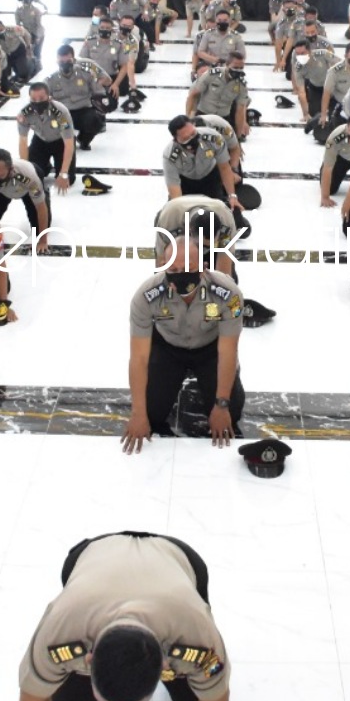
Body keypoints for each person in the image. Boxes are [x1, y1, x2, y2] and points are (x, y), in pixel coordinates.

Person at [17, 532, 231, 701]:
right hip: (96, 555)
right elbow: (34, 700)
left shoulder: (197, 635)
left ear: (164, 666)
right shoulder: (60, 629)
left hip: (175, 559)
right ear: (89, 660)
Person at [122, 235, 246, 451]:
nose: (181, 275)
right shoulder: (146, 296)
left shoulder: (228, 294)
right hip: (168, 346)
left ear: (203, 267)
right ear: (163, 266)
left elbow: (228, 351)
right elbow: (139, 357)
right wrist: (138, 414)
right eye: (174, 269)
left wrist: (222, 404)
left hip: (210, 348)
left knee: (232, 412)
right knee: (151, 413)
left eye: (189, 268)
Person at [164, 115, 248, 222]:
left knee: (219, 214)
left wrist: (232, 196)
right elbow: (175, 192)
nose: (192, 139)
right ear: (176, 140)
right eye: (186, 138)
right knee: (174, 215)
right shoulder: (170, 156)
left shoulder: (214, 138)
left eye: (193, 134)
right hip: (185, 182)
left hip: (210, 177)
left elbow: (224, 168)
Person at [0, 148, 54, 250]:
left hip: (27, 188)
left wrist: (42, 241)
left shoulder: (29, 177)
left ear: (11, 170)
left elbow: (40, 207)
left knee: (41, 228)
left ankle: (44, 191)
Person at [44, 47, 109, 150]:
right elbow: (43, 100)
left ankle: (84, 140)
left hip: (83, 110)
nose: (65, 64)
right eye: (61, 61)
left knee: (96, 120)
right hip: (62, 114)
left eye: (68, 61)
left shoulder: (86, 74)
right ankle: (66, 140)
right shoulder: (51, 80)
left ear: (74, 60)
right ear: (57, 61)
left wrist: (100, 109)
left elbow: (99, 93)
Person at [15, 82, 77, 186]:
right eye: (33, 99)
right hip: (40, 141)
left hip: (61, 142)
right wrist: (26, 170)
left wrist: (64, 173)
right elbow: (22, 141)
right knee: (35, 175)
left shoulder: (60, 112)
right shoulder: (24, 114)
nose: (37, 102)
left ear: (49, 97)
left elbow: (69, 143)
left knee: (68, 180)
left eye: (41, 98)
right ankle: (45, 165)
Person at [187, 53, 252, 139]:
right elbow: (193, 95)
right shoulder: (212, 75)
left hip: (223, 119)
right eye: (235, 67)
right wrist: (188, 118)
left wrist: (238, 137)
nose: (238, 71)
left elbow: (240, 111)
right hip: (204, 115)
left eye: (241, 68)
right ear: (227, 65)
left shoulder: (241, 85)